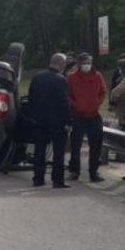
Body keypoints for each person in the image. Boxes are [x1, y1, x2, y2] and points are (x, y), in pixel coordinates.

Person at [27, 53, 72, 188]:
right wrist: (68, 121)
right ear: (61, 64)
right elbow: (64, 103)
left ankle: (38, 178)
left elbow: (31, 99)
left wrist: (34, 117)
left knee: (39, 150)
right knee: (58, 152)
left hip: (40, 120)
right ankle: (57, 180)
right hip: (57, 122)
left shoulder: (36, 77)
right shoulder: (61, 80)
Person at [67, 52, 106, 182]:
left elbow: (103, 92)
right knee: (75, 145)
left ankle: (94, 172)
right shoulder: (72, 78)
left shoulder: (97, 76)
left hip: (94, 115)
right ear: (79, 64)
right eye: (84, 63)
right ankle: (74, 171)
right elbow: (68, 95)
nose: (86, 65)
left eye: (88, 62)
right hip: (78, 115)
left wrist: (97, 102)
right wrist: (75, 105)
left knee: (96, 145)